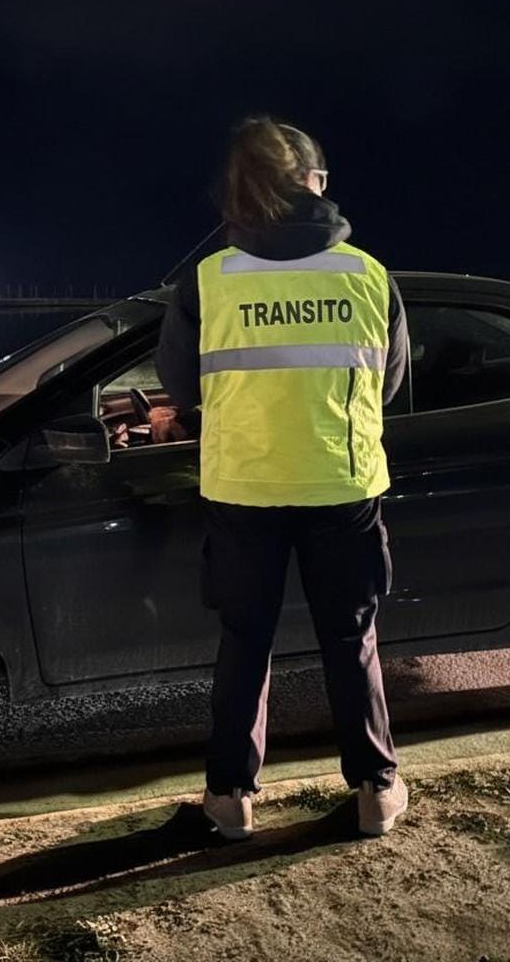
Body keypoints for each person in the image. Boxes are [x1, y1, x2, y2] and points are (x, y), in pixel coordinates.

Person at [155, 115, 409, 839]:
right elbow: (387, 386)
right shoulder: (366, 275)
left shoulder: (208, 281)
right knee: (350, 638)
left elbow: (179, 381)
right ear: (310, 183)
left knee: (246, 640)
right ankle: (375, 792)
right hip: (343, 483)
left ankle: (230, 800)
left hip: (244, 489)